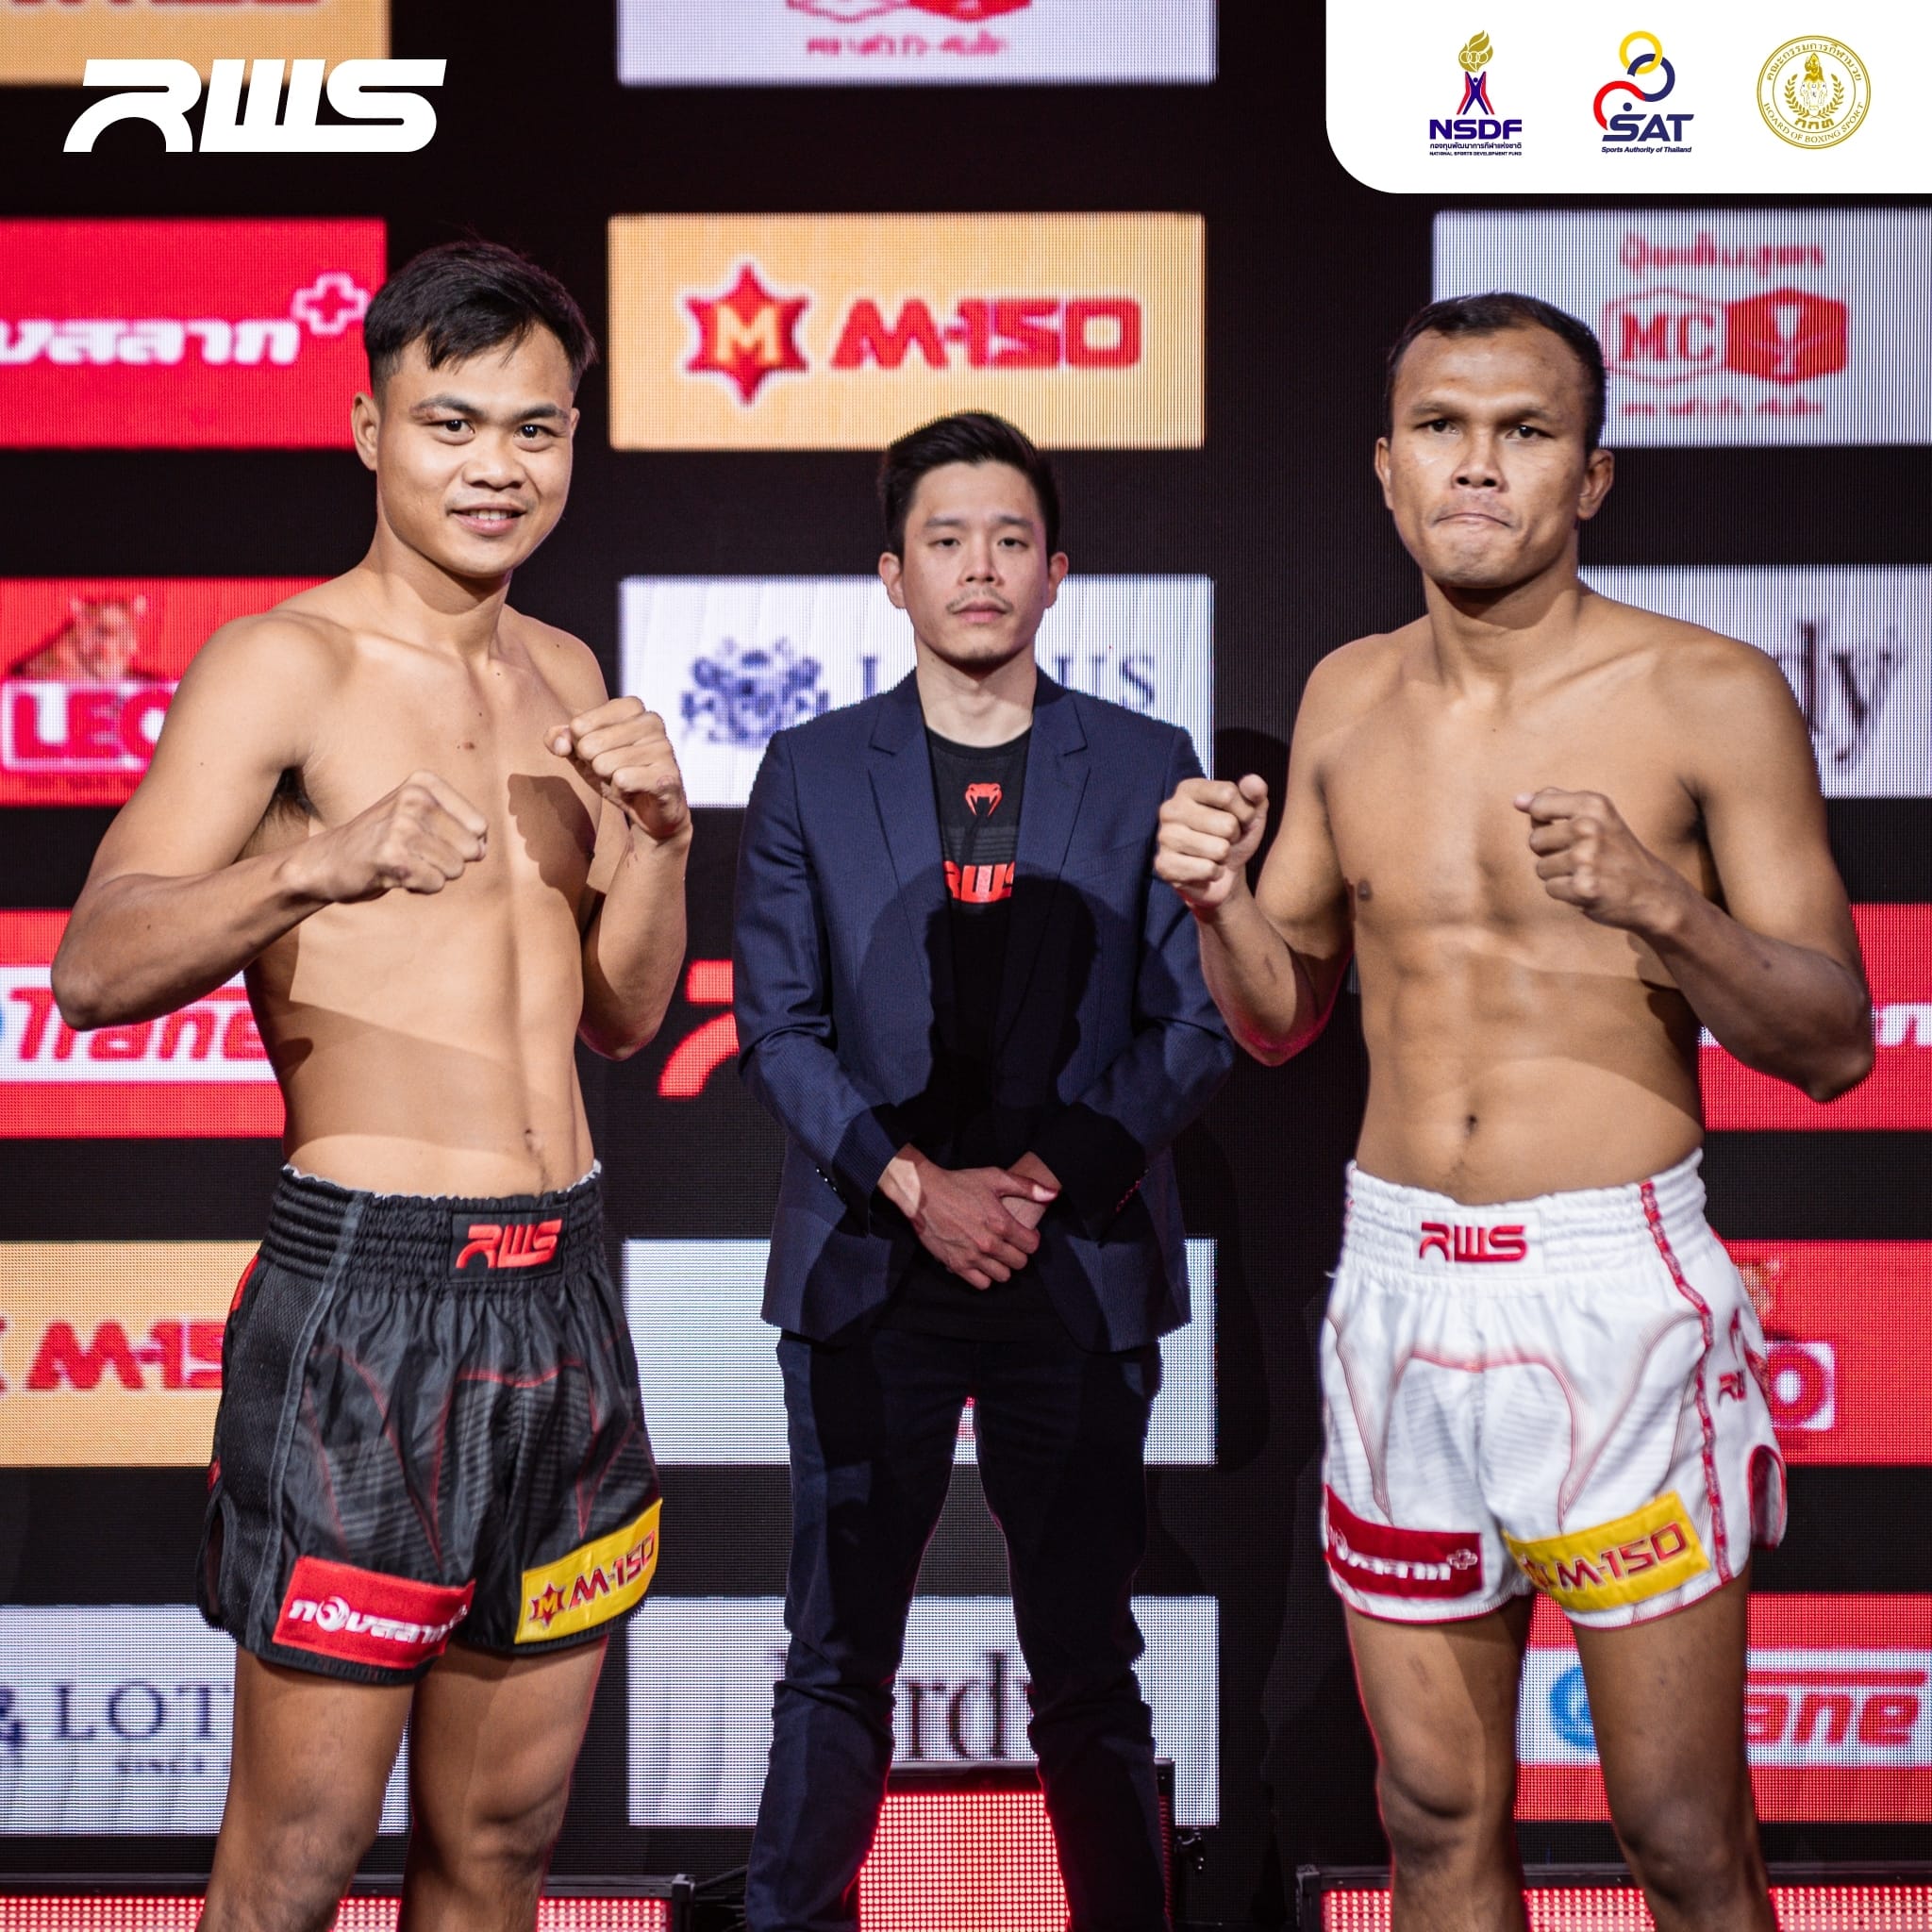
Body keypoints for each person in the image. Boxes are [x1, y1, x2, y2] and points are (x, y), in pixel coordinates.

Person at [1156, 293, 1872, 1932]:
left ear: (1591, 476)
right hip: (1400, 1291)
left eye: (1524, 432)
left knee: (1679, 1831)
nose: (1477, 467)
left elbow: (1835, 1043)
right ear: (1387, 469)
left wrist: (1663, 907)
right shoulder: (1345, 696)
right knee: (1428, 1816)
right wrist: (1218, 907)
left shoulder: (1709, 692)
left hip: (1613, 1288)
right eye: (1442, 429)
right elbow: (1282, 1020)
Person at [52, 242, 691, 1932]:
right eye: (451, 423)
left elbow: (624, 1019)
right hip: (370, 1308)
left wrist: (661, 841)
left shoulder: (570, 676)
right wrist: (310, 868)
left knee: (506, 1848)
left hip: (564, 1295)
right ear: (369, 431)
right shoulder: (287, 665)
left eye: (536, 430)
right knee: (297, 1861)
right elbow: (93, 966)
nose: (497, 467)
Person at [733, 410, 1233, 1932]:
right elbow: (777, 1028)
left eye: (1011, 539)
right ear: (893, 575)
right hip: (869, 1268)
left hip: (1072, 1267)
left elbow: (1194, 1024)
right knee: (836, 1659)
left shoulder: (1146, 763)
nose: (980, 566)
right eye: (945, 538)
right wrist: (916, 1186)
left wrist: (1031, 1182)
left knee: (1088, 1662)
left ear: (1057, 570)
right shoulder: (812, 769)